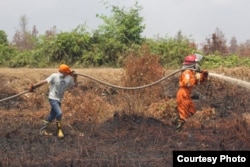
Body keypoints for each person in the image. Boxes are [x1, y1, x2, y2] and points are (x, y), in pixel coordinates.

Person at [29, 64, 77, 138]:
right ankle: (59, 130)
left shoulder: (69, 78)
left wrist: (75, 77)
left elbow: (74, 86)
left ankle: (42, 130)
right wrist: (34, 86)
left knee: (52, 115)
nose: (64, 74)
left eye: (66, 73)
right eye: (64, 72)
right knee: (59, 113)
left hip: (59, 99)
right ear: (61, 72)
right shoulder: (54, 76)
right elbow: (44, 82)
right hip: (52, 98)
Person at [175, 54, 209, 131]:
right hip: (183, 94)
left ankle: (175, 121)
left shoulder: (191, 73)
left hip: (187, 95)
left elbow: (197, 81)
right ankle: (178, 131)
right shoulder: (187, 72)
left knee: (191, 111)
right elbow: (187, 83)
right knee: (183, 114)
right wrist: (194, 77)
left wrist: (203, 75)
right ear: (193, 64)